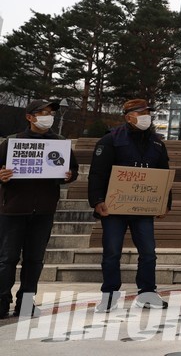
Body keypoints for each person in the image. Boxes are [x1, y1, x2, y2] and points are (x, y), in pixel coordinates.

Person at [88, 98, 172, 313]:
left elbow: (163, 175)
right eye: (141, 112)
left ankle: (147, 294)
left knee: (148, 252)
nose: (147, 116)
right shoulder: (110, 140)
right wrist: (97, 200)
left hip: (143, 208)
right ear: (128, 116)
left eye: (148, 112)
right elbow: (97, 173)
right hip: (114, 208)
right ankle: (109, 296)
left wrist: (165, 202)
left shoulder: (156, 143)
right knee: (112, 252)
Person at [0, 98, 78, 319]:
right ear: (29, 117)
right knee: (7, 258)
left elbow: (72, 170)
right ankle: (1, 301)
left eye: (50, 113)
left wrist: (69, 176)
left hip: (43, 210)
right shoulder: (12, 142)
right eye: (42, 113)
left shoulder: (60, 143)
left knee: (34, 259)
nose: (48, 117)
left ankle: (26, 301)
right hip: (13, 210)